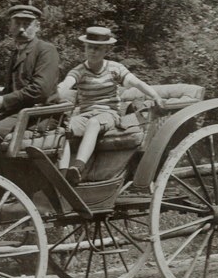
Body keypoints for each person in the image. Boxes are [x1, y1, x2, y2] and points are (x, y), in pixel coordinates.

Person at [57, 26, 164, 185]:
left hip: (108, 114)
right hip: (84, 115)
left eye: (97, 48)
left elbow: (136, 82)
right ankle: (62, 174)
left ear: (106, 50)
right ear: (84, 48)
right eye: (89, 47)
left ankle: (78, 168)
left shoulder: (115, 68)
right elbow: (65, 85)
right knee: (63, 129)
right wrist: (54, 93)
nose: (92, 51)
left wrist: (154, 95)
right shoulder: (79, 71)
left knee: (94, 123)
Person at [0, 4, 61, 175]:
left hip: (39, 114)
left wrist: (3, 101)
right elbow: (11, 88)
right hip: (18, 113)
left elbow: (40, 91)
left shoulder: (46, 50)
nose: (21, 29)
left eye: (27, 24)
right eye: (17, 24)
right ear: (10, 27)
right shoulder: (15, 54)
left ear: (37, 26)